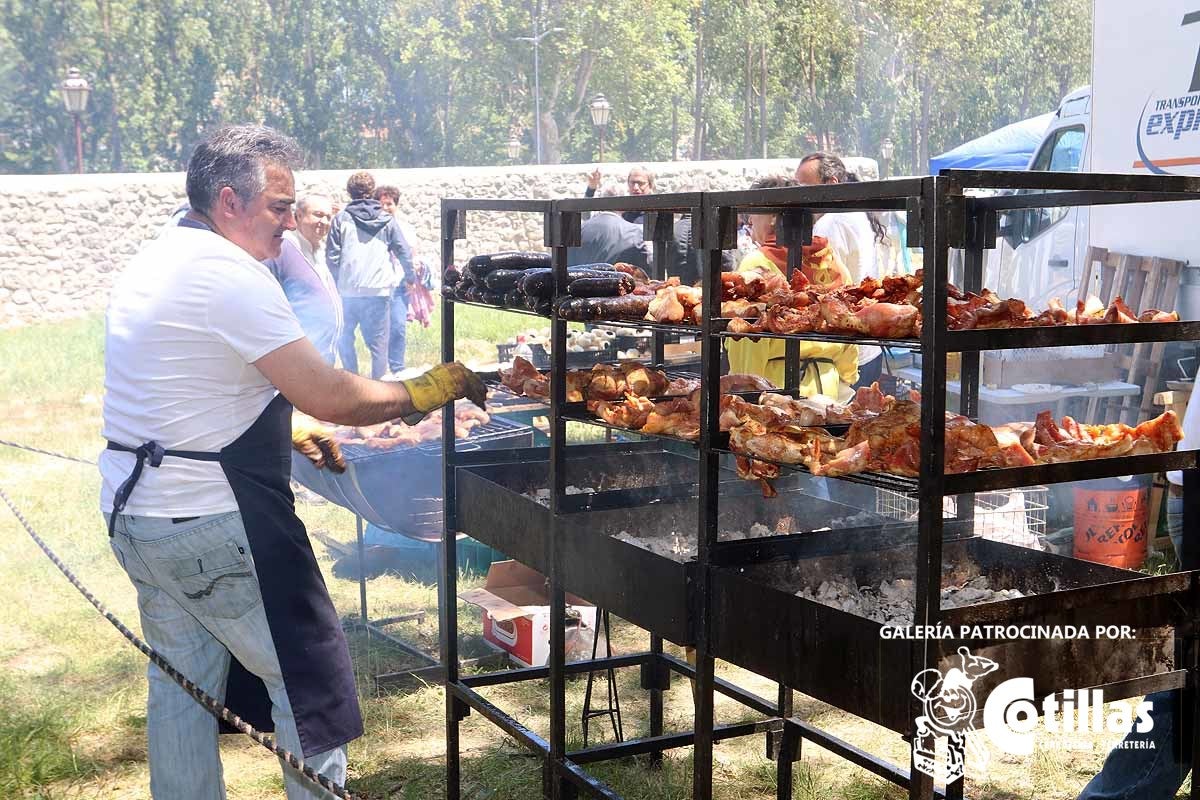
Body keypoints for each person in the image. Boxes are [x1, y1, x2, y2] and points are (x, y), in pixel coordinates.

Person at [99, 124, 485, 799]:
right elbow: (332, 391)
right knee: (306, 683)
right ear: (229, 202)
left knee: (183, 687)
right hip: (212, 523)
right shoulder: (228, 274)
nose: (291, 221)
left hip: (140, 516)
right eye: (280, 206)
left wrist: (287, 422)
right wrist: (425, 389)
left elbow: (191, 383)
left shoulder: (158, 255)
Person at [724, 175, 857, 398]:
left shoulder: (757, 264)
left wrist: (745, 391)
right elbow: (849, 325)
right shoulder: (832, 261)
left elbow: (747, 339)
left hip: (774, 389)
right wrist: (845, 375)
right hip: (827, 387)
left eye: (753, 214)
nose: (748, 221)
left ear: (774, 218)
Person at [795, 152, 890, 389]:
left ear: (832, 184)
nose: (799, 196)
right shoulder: (856, 214)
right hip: (866, 346)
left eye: (805, 187)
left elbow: (824, 286)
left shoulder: (831, 223)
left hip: (848, 352)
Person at [326, 171, 414, 379]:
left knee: (345, 338)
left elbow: (332, 256)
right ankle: (377, 389)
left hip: (348, 290)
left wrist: (338, 281)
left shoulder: (341, 219)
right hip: (379, 289)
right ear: (372, 192)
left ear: (349, 193)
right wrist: (410, 277)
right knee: (378, 344)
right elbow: (403, 250)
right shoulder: (386, 219)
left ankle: (353, 383)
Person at [265, 194, 342, 364]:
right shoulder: (283, 249)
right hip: (298, 362)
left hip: (322, 359)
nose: (324, 222)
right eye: (318, 215)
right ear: (298, 216)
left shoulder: (319, 251)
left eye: (328, 217)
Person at [372, 185, 415, 373]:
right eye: (381, 204)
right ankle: (379, 372)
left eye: (389, 204)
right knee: (379, 332)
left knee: (398, 327)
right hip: (378, 286)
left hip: (398, 285)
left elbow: (410, 254)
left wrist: (410, 278)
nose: (386, 208)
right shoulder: (371, 228)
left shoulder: (405, 228)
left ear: (395, 205)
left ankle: (398, 368)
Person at [569, 184, 651, 268]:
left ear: (599, 203)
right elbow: (645, 269)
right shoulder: (634, 232)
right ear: (624, 204)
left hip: (580, 280)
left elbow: (567, 264)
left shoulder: (579, 229)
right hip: (619, 280)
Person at [583, 166, 655, 223]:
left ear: (650, 185)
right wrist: (591, 189)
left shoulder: (656, 213)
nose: (635, 187)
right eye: (632, 183)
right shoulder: (621, 210)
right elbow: (587, 219)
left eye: (640, 183)